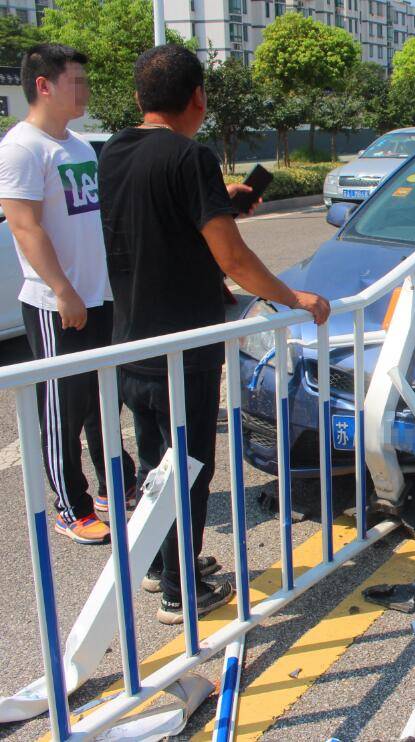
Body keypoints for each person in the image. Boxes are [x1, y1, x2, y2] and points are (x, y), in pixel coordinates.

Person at [98, 44, 329, 625]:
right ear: (197, 97)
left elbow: (161, 225)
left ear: (137, 99)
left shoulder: (113, 153)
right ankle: (184, 592)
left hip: (134, 343)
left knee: (156, 467)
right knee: (190, 467)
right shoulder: (189, 158)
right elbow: (233, 258)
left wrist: (217, 205)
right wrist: (294, 297)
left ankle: (160, 566)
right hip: (185, 346)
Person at [0, 43, 137, 545]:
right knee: (64, 405)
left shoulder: (77, 147)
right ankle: (70, 506)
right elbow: (24, 226)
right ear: (44, 85)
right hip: (55, 302)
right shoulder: (21, 147)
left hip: (97, 297)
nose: (85, 90)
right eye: (76, 81)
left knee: (104, 400)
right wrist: (63, 289)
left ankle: (111, 490)